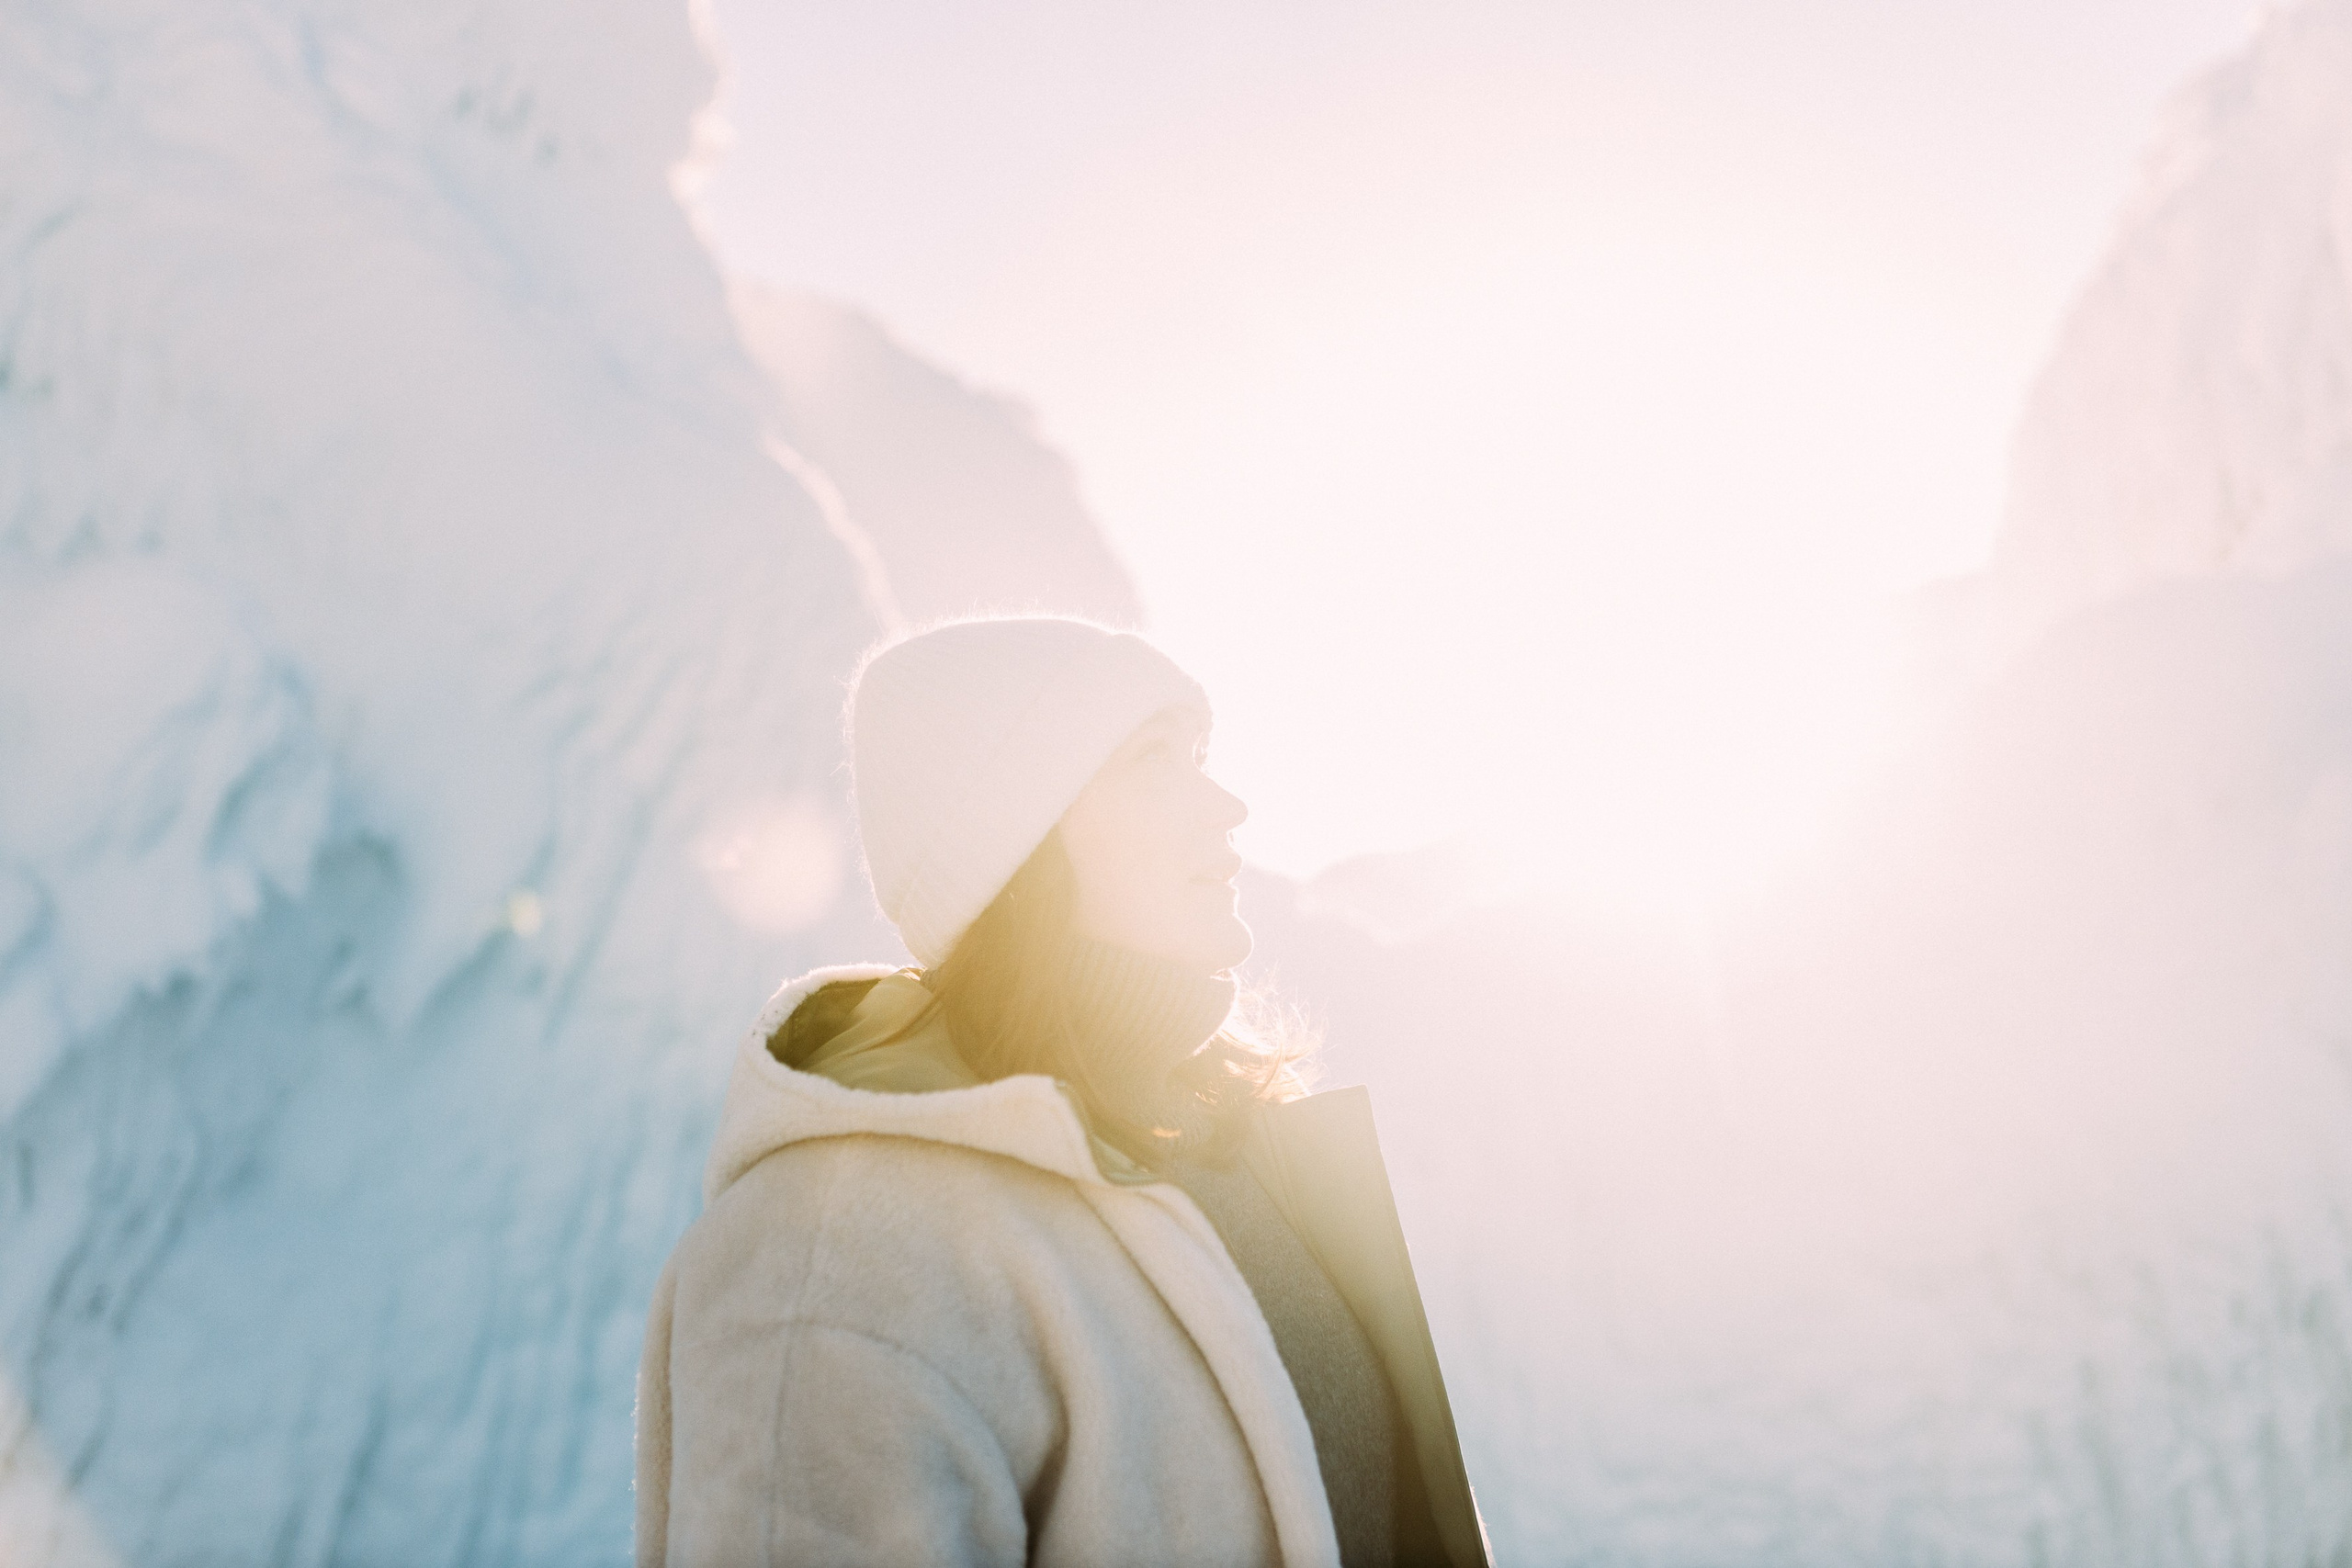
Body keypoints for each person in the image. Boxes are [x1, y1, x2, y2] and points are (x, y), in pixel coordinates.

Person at [635, 616, 1490, 1567]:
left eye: (1201, 756)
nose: (1227, 805)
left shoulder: (1228, 1154)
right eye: (1152, 759)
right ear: (1015, 839)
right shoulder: (831, 1248)